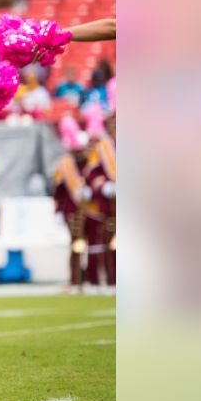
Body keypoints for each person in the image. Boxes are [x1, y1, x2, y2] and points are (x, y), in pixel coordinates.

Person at [51, 122, 90, 291]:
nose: (78, 154)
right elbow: (58, 191)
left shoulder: (92, 162)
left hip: (92, 210)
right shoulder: (65, 165)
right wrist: (58, 211)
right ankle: (75, 280)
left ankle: (93, 278)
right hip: (72, 211)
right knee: (75, 245)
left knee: (95, 246)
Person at [81, 112, 116, 292]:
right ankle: (106, 281)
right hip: (108, 202)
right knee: (104, 242)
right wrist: (104, 185)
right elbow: (92, 172)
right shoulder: (102, 148)